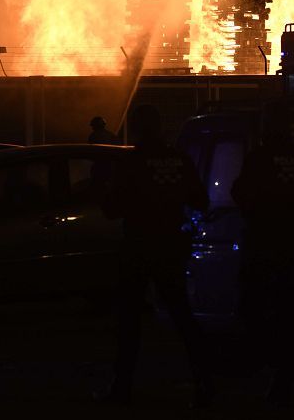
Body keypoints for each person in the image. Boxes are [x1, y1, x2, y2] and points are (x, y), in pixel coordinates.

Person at [97, 104, 213, 407]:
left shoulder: (131, 162)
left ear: (137, 128)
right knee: (183, 316)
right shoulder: (179, 160)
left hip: (138, 247)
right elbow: (200, 200)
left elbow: (111, 208)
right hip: (170, 247)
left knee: (129, 321)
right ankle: (205, 383)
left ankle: (121, 387)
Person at [231, 105, 294, 406]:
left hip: (264, 246)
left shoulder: (258, 159)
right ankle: (286, 375)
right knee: (291, 313)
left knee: (256, 309)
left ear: (267, 128)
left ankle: (269, 368)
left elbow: (240, 194)